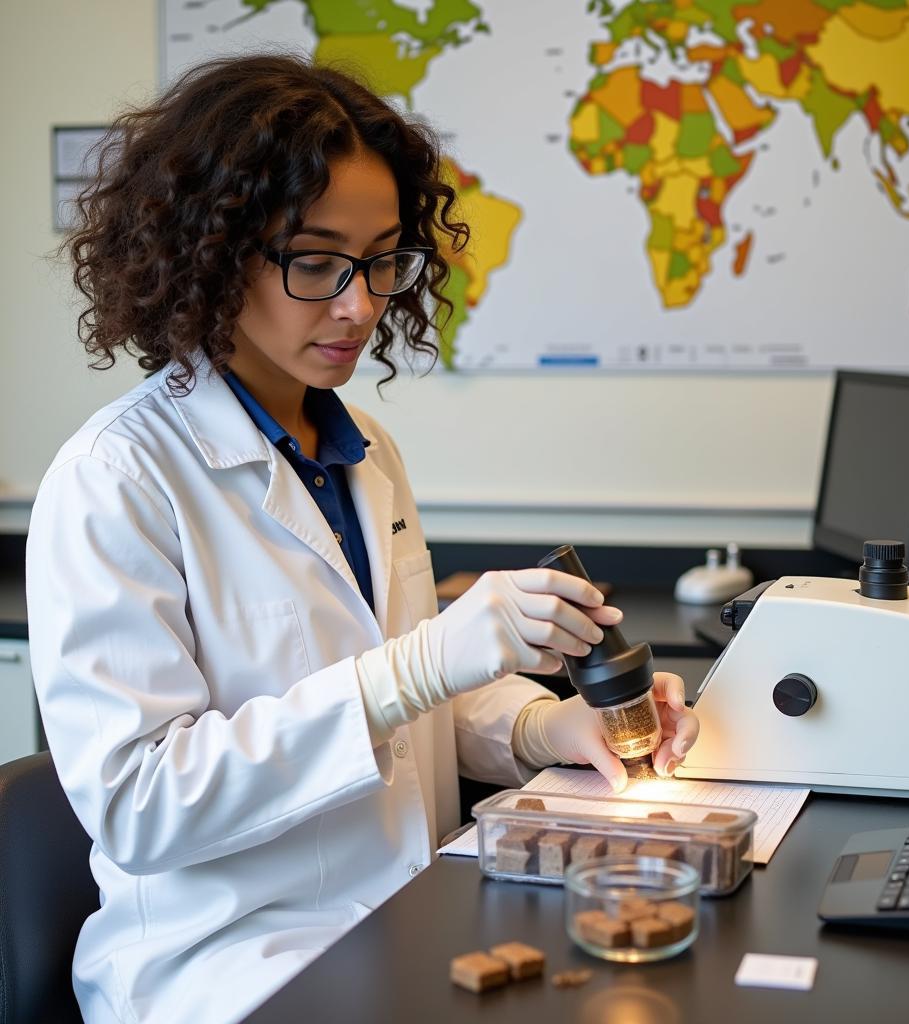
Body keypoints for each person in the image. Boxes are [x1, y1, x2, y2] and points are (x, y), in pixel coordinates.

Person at [26, 54, 700, 1024]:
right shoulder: (118, 478)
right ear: (210, 253)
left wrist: (548, 727)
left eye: (383, 258)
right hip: (229, 965)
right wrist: (423, 662)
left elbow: (412, 704)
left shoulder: (361, 449)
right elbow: (141, 804)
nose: (360, 304)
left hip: (400, 921)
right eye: (315, 261)